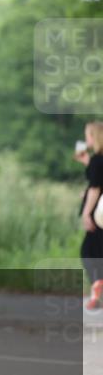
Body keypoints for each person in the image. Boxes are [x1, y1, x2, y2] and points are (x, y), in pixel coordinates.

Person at [78, 121, 103, 310]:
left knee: (89, 253)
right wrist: (87, 162)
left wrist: (87, 213)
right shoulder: (97, 161)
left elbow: (95, 188)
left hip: (99, 215)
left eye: (88, 135)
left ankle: (96, 293)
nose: (86, 139)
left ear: (94, 137)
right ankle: (96, 293)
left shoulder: (97, 160)